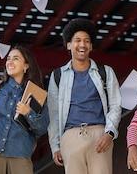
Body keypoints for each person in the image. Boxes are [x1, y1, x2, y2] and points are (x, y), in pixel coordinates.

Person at [47, 18, 122, 174]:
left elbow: (115, 105)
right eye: (77, 40)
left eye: (87, 41)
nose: (82, 45)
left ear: (91, 46)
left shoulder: (105, 72)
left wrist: (109, 133)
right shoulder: (57, 76)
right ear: (68, 45)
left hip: (100, 135)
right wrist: (55, 146)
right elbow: (53, 115)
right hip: (70, 137)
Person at [0, 45, 49, 174]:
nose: (10, 62)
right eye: (8, 58)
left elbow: (42, 128)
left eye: (16, 58)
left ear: (26, 66)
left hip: (20, 153)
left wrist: (28, 113)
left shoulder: (36, 94)